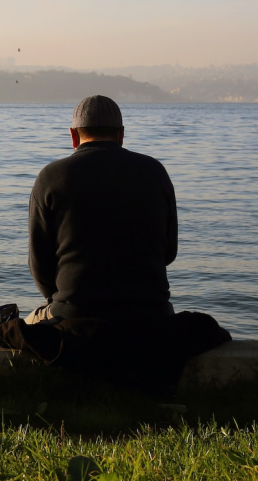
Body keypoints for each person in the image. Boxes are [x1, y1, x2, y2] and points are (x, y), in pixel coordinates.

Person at [23, 95, 177, 324]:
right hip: (152, 316)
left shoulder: (51, 177)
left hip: (74, 316)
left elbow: (40, 264)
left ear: (73, 135)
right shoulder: (155, 172)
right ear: (121, 135)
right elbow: (168, 253)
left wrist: (61, 301)